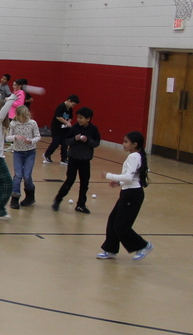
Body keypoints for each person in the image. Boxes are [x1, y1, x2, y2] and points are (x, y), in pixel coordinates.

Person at [98, 131, 153, 261]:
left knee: (121, 225)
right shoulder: (136, 155)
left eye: (126, 142)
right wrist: (119, 183)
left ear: (135, 144)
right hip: (128, 192)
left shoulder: (134, 156)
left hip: (132, 195)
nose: (123, 144)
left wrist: (108, 175)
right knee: (113, 220)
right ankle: (110, 249)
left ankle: (144, 246)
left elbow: (129, 177)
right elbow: (133, 176)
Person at [52, 106, 100, 214]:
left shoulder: (93, 129)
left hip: (85, 160)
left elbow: (96, 143)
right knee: (69, 180)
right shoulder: (74, 128)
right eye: (78, 117)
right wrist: (75, 139)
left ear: (88, 119)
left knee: (84, 183)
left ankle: (81, 205)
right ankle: (57, 200)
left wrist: (88, 140)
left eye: (81, 118)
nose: (78, 120)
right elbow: (67, 141)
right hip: (73, 159)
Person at [6, 106, 41, 209]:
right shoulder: (13, 124)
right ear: (17, 116)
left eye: (26, 116)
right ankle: (15, 198)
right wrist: (15, 137)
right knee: (17, 176)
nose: (25, 118)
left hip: (30, 153)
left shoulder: (32, 123)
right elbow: (7, 137)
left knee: (27, 176)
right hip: (18, 153)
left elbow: (38, 136)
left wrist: (31, 141)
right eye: (22, 117)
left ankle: (30, 196)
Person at [44, 95, 79, 165]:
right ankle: (47, 155)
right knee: (55, 142)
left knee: (65, 143)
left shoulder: (70, 109)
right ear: (69, 101)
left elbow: (70, 117)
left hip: (65, 129)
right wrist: (66, 122)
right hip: (57, 128)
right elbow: (58, 117)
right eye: (73, 104)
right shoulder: (61, 107)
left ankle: (64, 158)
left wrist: (68, 122)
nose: (73, 106)